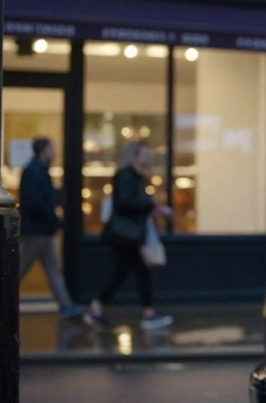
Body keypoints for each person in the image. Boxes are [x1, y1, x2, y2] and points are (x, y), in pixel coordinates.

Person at [84, 141, 174, 330]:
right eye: (143, 155)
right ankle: (148, 313)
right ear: (134, 156)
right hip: (125, 235)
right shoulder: (126, 176)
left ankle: (98, 307)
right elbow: (125, 203)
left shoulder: (135, 177)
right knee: (137, 271)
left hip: (129, 234)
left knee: (125, 272)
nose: (146, 159)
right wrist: (151, 206)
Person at [19, 137, 84, 318]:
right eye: (51, 148)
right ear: (43, 150)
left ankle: (67, 305)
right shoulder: (35, 171)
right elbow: (34, 201)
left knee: (52, 268)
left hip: (41, 230)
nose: (54, 152)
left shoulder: (36, 170)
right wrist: (52, 214)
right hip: (36, 230)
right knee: (22, 268)